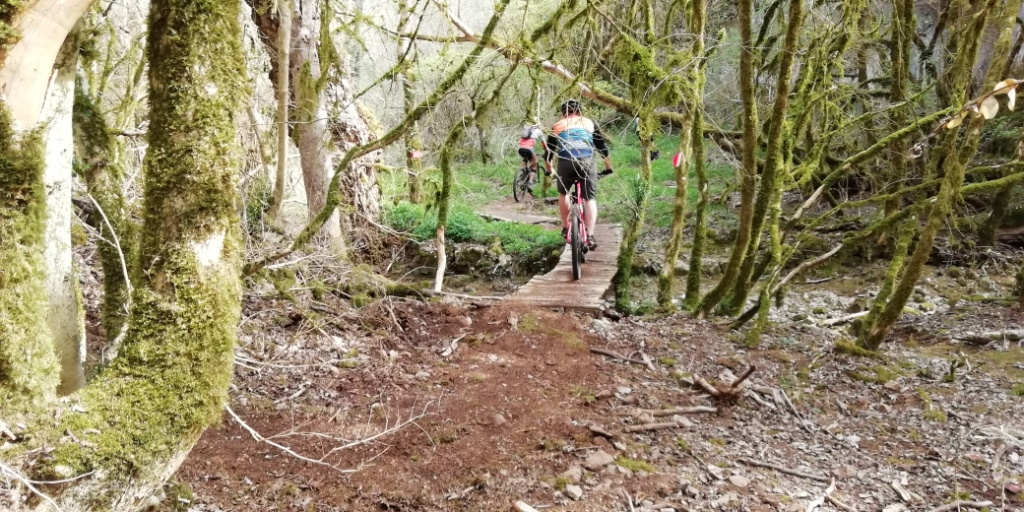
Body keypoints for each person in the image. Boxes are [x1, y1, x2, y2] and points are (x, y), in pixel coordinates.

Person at [544, 99, 613, 250]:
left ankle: (565, 227)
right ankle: (590, 235)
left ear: (563, 113)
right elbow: (602, 148)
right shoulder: (589, 123)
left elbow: (549, 154)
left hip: (565, 161)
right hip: (586, 161)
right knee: (589, 198)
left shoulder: (557, 125)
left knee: (564, 194)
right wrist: (608, 167)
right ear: (579, 111)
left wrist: (549, 170)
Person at [517, 123, 545, 192]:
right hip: (529, 149)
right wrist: (546, 151)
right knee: (534, 166)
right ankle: (530, 183)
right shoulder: (538, 131)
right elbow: (544, 144)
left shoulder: (526, 130)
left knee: (525, 159)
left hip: (520, 148)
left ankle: (522, 174)